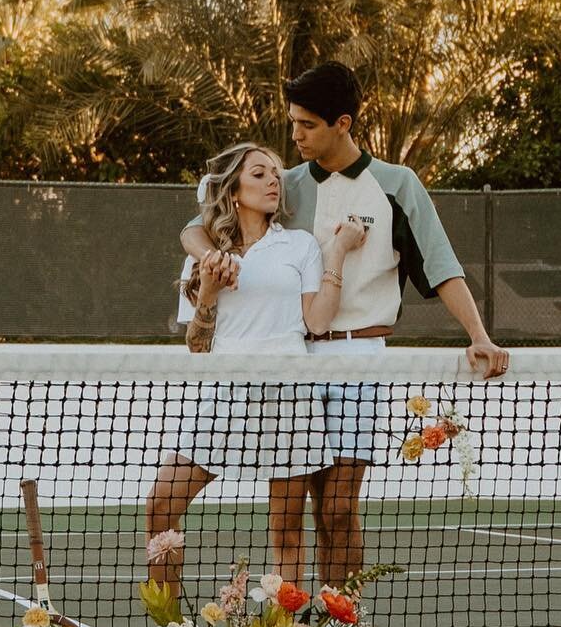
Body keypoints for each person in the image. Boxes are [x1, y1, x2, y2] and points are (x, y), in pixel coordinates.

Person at [180, 63, 509, 585]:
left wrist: (479, 336)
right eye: (292, 122)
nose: (295, 135)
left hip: (360, 362)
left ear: (343, 122)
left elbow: (441, 266)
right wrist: (211, 260)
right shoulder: (281, 186)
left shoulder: (398, 185)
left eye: (307, 125)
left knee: (337, 508)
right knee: (298, 515)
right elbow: (197, 227)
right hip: (296, 365)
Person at [145, 141, 366, 590]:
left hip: (291, 401)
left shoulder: (300, 245)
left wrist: (338, 252)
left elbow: (317, 320)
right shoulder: (204, 256)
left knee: (286, 532)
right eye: (259, 174)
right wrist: (207, 288)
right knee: (161, 505)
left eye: (275, 174)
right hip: (226, 397)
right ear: (233, 190)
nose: (272, 182)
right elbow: (198, 346)